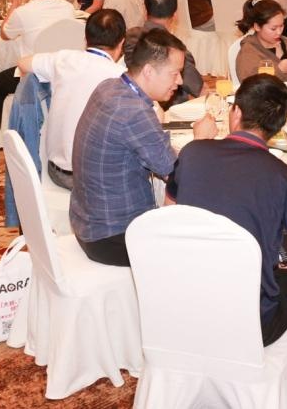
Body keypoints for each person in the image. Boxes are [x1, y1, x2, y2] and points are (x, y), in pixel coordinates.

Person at [167, 73, 287, 345]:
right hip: (247, 322)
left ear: (236, 113)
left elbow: (169, 215)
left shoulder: (192, 153)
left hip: (184, 304)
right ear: (278, 127)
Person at [70, 28, 218, 266]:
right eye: (175, 74)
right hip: (113, 236)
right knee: (206, 246)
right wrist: (200, 141)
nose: (180, 82)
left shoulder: (109, 87)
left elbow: (156, 153)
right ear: (148, 71)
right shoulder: (134, 112)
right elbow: (179, 176)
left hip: (88, 221)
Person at [17, 9, 128, 189]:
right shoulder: (121, 77)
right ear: (122, 43)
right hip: (96, 181)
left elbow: (23, 63)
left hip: (57, 171)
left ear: (85, 39)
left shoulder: (63, 59)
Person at [0, 0, 76, 120]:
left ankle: (21, 120)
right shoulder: (68, 7)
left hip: (34, 76)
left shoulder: (23, 12)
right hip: (64, 70)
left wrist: (15, 3)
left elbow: (5, 34)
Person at [123, 0, 203, 107]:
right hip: (169, 108)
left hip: (131, 99)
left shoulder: (130, 36)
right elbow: (199, 88)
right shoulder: (174, 52)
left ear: (145, 11)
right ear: (175, 15)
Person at [235, 0, 287, 82]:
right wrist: (279, 70)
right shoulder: (249, 51)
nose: (279, 32)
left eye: (281, 26)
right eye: (273, 29)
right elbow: (250, 85)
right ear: (257, 27)